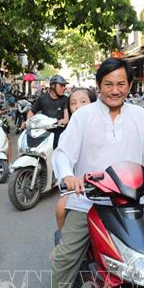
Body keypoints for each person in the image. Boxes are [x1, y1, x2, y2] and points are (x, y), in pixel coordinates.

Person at [37, 57, 144, 288]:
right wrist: (67, 176)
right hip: (89, 202)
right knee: (66, 257)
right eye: (108, 84)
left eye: (121, 84)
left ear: (130, 85)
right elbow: (64, 154)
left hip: (133, 202)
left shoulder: (140, 116)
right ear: (98, 86)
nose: (115, 90)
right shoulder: (84, 117)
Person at [53, 88, 96, 240]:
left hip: (107, 185)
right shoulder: (68, 132)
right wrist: (68, 177)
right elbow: (62, 156)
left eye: (83, 102)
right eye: (73, 103)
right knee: (60, 208)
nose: (78, 106)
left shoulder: (103, 127)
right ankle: (63, 239)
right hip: (79, 187)